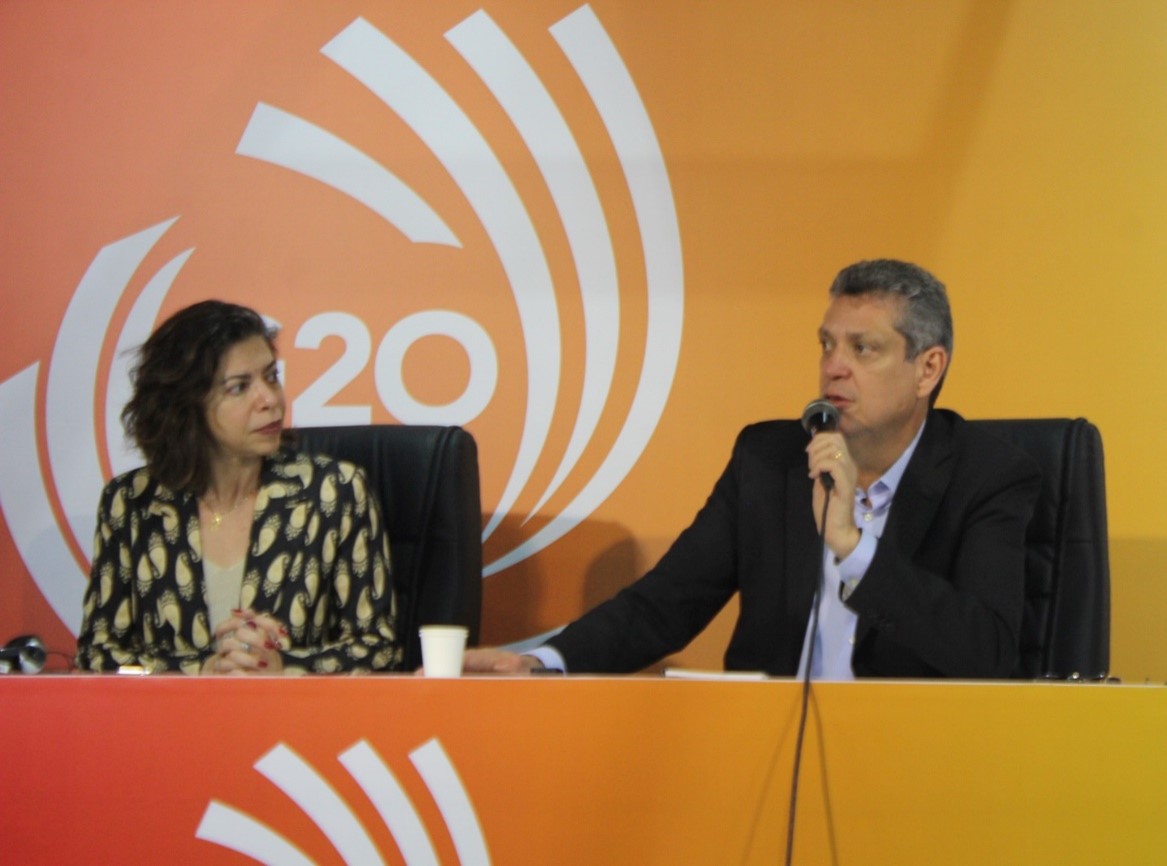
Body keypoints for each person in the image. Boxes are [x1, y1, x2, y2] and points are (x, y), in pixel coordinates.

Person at [467, 259, 1041, 679]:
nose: (833, 368)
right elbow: (667, 603)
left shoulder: (988, 475)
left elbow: (986, 651)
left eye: (863, 349)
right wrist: (543, 663)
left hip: (914, 764)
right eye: (826, 345)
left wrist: (852, 547)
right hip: (764, 757)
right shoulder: (770, 462)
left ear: (927, 369)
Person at [76, 300, 397, 674]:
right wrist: (203, 671)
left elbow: (378, 648)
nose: (270, 400)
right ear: (186, 406)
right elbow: (98, 655)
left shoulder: (334, 492)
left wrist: (281, 667)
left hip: (295, 726)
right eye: (239, 387)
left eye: (271, 376)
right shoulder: (133, 503)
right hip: (170, 726)